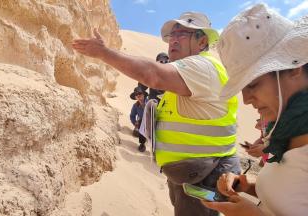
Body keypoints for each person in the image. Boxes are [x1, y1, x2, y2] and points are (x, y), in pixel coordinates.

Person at [73, 11, 240, 216]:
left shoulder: (202, 67)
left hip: (206, 178)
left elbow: (151, 74)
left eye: (182, 34)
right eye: (172, 36)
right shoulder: (186, 73)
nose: (173, 40)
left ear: (202, 40)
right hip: (192, 177)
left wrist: (104, 52)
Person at [201, 4, 308, 216]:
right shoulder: (286, 130)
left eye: (252, 84)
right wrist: (246, 185)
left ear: (294, 67)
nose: (246, 99)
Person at [129, 87, 148, 152]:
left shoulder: (150, 102)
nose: (138, 95)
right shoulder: (135, 105)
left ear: (144, 94)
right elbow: (132, 116)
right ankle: (142, 144)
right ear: (135, 97)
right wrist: (135, 124)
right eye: (136, 94)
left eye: (140, 93)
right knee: (139, 124)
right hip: (142, 123)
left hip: (153, 121)